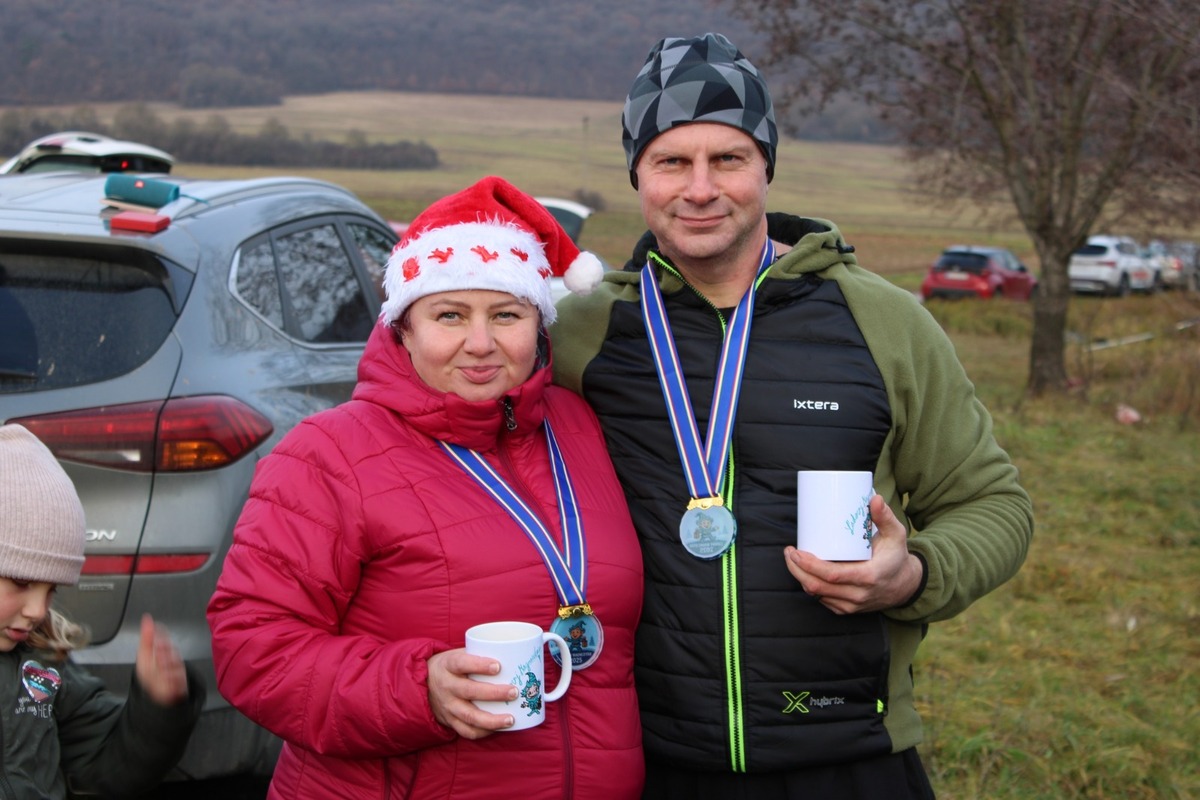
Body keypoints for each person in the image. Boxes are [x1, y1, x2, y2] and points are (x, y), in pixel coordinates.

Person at [551, 32, 1034, 799]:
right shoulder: (581, 333)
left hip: (848, 751)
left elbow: (993, 504)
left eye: (729, 159)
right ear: (638, 174)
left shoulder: (884, 321)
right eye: (672, 161)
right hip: (645, 759)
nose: (700, 188)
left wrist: (911, 575)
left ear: (766, 168)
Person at [207, 176, 644, 799]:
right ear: (403, 327)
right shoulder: (329, 454)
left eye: (506, 315)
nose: (481, 343)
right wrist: (418, 690)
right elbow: (252, 651)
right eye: (449, 315)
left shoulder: (578, 428)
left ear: (540, 323)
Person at [0, 423, 203, 799]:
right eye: (21, 582)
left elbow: (104, 764)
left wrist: (157, 710)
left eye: (52, 589)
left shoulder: (42, 664)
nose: (37, 610)